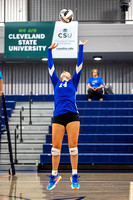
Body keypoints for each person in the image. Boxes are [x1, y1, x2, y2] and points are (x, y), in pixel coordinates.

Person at [46, 40, 88, 190]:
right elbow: (51, 67)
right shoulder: (56, 82)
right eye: (63, 71)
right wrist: (49, 51)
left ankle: (74, 175)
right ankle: (54, 175)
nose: (63, 71)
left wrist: (81, 47)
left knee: (73, 148)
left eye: (66, 72)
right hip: (58, 116)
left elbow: (79, 65)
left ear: (70, 76)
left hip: (72, 116)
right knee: (55, 149)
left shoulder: (73, 82)